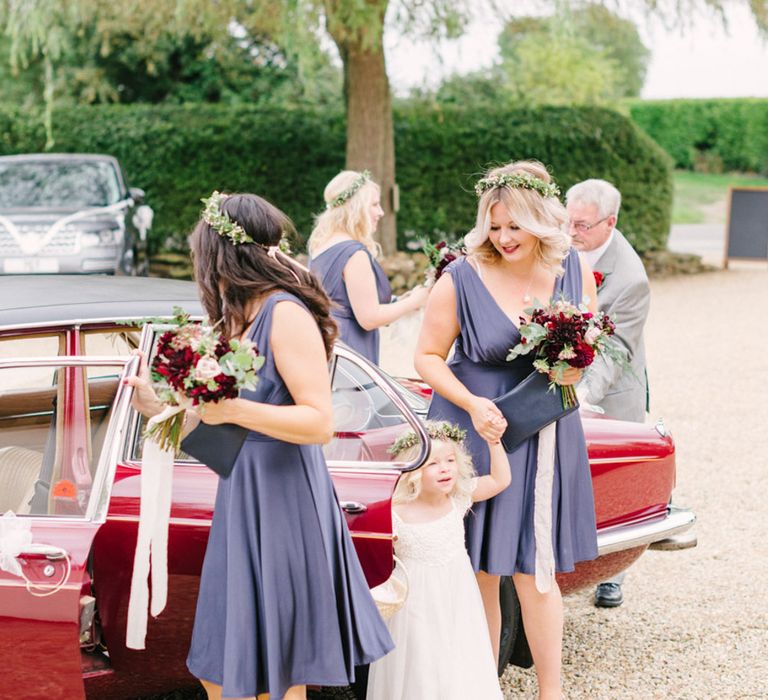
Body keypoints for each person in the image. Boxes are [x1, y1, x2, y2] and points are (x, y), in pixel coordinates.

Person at [128, 192, 393, 700]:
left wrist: (231, 409)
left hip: (285, 500)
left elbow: (318, 423)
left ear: (220, 253)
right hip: (242, 493)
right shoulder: (237, 318)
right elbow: (229, 439)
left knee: (276, 671)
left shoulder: (284, 313)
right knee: (222, 667)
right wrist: (160, 410)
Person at [414, 160, 598, 700]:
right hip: (474, 429)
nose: (503, 238)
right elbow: (426, 356)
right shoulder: (461, 276)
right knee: (479, 570)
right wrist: (471, 403)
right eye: (494, 226)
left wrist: (573, 367)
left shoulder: (573, 269)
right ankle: (480, 687)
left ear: (540, 219)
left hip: (544, 430)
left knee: (536, 571)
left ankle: (551, 692)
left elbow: (587, 348)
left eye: (514, 226)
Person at [366, 421, 510, 700]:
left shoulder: (457, 499)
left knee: (458, 656)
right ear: (413, 471)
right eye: (433, 463)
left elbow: (500, 481)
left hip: (457, 600)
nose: (445, 468)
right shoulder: (395, 512)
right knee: (422, 664)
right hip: (415, 607)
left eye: (451, 460)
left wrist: (494, 442)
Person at [566, 178, 651, 609]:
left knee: (613, 484)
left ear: (609, 223)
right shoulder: (564, 249)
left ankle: (612, 574)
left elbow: (614, 350)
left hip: (613, 390)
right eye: (568, 222)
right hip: (567, 374)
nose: (571, 232)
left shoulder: (630, 278)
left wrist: (581, 397)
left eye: (581, 226)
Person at [308, 170, 429, 364]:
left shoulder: (321, 245)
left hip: (330, 344)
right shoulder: (353, 253)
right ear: (356, 208)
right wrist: (415, 301)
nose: (380, 212)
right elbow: (369, 317)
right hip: (351, 351)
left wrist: (398, 301)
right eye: (374, 204)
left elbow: (346, 301)